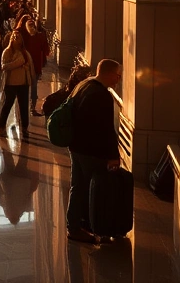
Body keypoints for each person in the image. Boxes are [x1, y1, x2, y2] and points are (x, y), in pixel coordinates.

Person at [66, 59, 123, 244]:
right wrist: (113, 156)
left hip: (76, 146)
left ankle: (75, 225)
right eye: (117, 75)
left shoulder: (84, 85)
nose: (118, 79)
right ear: (108, 73)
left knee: (78, 186)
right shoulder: (102, 95)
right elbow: (106, 129)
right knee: (92, 188)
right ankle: (88, 226)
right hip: (91, 150)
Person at [0, 31, 35, 140]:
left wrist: (29, 73)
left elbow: (30, 66)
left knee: (24, 106)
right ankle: (1, 127)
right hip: (11, 83)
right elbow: (4, 66)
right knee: (7, 105)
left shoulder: (25, 53)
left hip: (23, 83)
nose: (16, 39)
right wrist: (18, 63)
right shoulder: (7, 52)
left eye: (18, 37)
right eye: (14, 37)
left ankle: (24, 127)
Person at [19, 17, 50, 115]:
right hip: (36, 66)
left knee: (25, 87)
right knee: (33, 87)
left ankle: (23, 107)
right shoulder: (40, 37)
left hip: (25, 65)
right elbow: (47, 51)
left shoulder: (24, 38)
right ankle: (32, 108)